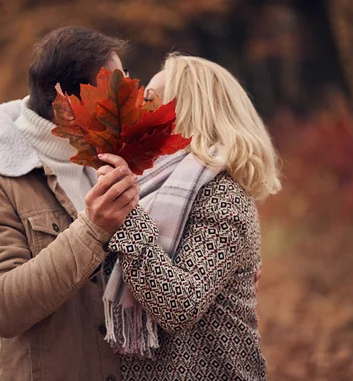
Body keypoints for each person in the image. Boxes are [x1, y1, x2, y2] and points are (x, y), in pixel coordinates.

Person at [0, 26, 138, 381]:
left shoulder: (109, 157)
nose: (127, 99)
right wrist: (92, 231)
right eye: (115, 89)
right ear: (67, 107)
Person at [99, 54, 281, 380]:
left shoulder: (223, 195)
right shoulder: (151, 185)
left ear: (188, 110)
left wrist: (126, 212)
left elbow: (179, 305)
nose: (137, 110)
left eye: (151, 101)